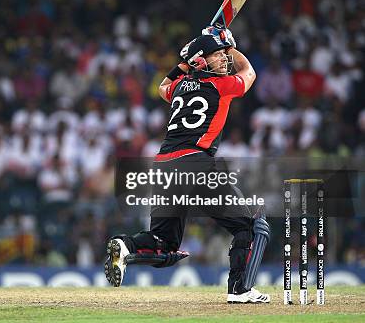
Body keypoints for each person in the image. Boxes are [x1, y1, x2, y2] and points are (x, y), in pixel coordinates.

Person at [105, 28, 271, 303]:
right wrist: (229, 45)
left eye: (223, 55)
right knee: (250, 225)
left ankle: (126, 244)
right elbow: (249, 72)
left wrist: (187, 60)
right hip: (196, 163)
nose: (224, 60)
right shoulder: (222, 85)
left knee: (164, 242)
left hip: (163, 166)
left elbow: (161, 86)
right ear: (201, 61)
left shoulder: (178, 86)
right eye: (217, 56)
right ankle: (240, 290)